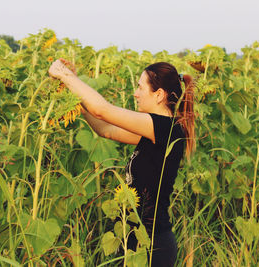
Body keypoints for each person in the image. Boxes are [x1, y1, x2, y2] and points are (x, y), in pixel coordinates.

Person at [48, 60, 195, 267]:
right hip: (134, 237)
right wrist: (76, 97)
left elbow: (102, 110)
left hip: (152, 245)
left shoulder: (166, 128)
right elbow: (105, 129)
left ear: (159, 95)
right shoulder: (155, 131)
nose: (136, 93)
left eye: (140, 87)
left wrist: (65, 75)